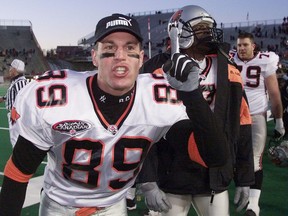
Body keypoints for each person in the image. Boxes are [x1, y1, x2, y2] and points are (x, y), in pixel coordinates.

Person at [0, 13, 228, 216]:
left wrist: (192, 96)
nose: (120, 55)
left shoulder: (159, 96)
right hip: (59, 204)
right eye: (109, 48)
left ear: (141, 58)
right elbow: (19, 172)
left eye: (130, 48)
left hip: (113, 206)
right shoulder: (55, 95)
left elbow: (214, 156)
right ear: (95, 57)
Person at [137, 5, 254, 216]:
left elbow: (242, 123)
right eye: (200, 28)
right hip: (171, 172)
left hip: (213, 173)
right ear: (178, 33)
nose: (208, 34)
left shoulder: (228, 69)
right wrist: (148, 180)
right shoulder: (156, 70)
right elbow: (141, 127)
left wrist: (245, 177)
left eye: (209, 28)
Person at [230, 32, 285, 216]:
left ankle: (254, 205)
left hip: (255, 116)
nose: (241, 48)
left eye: (245, 45)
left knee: (254, 160)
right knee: (228, 158)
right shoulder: (228, 59)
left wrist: (279, 121)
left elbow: (274, 93)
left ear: (253, 46)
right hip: (231, 118)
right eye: (239, 45)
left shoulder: (265, 60)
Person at [0, 59, 29, 147]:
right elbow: (14, 95)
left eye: (11, 67)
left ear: (15, 70)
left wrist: (16, 116)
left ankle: (19, 160)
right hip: (15, 115)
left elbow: (24, 100)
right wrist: (4, 98)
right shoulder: (16, 81)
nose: (9, 69)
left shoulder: (20, 82)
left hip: (16, 116)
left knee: (16, 141)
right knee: (15, 140)